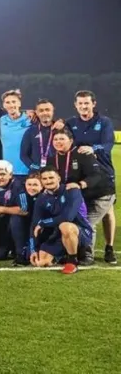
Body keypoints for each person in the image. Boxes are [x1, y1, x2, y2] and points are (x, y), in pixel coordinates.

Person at [46, 128, 112, 265]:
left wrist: (80, 184)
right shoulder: (52, 158)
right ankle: (71, 251)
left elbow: (97, 175)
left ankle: (88, 255)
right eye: (55, 139)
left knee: (87, 222)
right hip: (78, 197)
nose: (58, 142)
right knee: (72, 222)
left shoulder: (82, 154)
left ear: (70, 141)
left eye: (62, 139)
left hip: (99, 195)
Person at [65, 90, 115, 262]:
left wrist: (93, 149)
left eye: (87, 103)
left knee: (108, 212)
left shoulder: (104, 122)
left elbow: (108, 144)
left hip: (104, 172)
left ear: (93, 104)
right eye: (80, 104)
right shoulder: (71, 123)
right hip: (83, 174)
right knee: (86, 208)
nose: (83, 107)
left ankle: (109, 247)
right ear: (75, 105)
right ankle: (85, 249)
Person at [30, 167, 92, 275]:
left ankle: (73, 261)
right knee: (42, 262)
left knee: (65, 226)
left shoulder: (72, 191)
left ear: (58, 178)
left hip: (81, 231)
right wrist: (33, 249)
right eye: (44, 179)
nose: (48, 181)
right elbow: (35, 224)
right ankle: (62, 254)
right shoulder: (41, 198)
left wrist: (43, 223)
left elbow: (68, 217)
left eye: (51, 177)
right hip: (57, 234)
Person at [0, 160, 31, 265]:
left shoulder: (18, 186)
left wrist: (2, 209)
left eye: (3, 174)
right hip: (3, 224)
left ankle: (21, 253)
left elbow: (24, 210)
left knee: (15, 219)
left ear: (10, 175)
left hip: (21, 224)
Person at [0, 90, 32, 182]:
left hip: (28, 170)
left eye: (14, 102)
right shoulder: (1, 120)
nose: (11, 105)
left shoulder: (30, 118)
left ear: (19, 103)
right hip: (8, 172)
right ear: (4, 105)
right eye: (7, 102)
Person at [20, 99, 59, 172]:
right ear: (37, 112)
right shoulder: (30, 131)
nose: (44, 113)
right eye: (41, 110)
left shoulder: (60, 129)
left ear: (53, 111)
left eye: (47, 110)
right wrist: (35, 168)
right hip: (36, 174)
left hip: (56, 173)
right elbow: (23, 155)